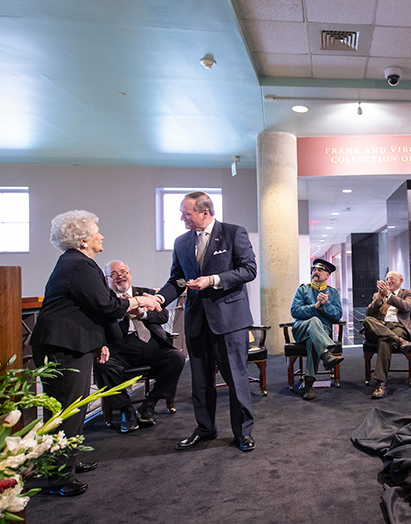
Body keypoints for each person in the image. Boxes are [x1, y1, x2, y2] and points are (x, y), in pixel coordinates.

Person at [31, 210, 162, 496]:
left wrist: (99, 341)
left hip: (68, 343)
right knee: (66, 411)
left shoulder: (74, 263)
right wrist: (140, 299)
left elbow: (89, 309)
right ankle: (59, 478)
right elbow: (106, 306)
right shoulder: (80, 264)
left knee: (70, 408)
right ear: (82, 239)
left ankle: (67, 463)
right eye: (96, 231)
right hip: (63, 345)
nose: (101, 236)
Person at [155, 191, 258, 452]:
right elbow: (177, 280)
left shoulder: (234, 233)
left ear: (205, 212)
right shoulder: (181, 243)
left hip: (230, 320)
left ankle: (242, 433)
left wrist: (212, 280)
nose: (182, 218)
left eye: (186, 213)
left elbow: (249, 270)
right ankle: (205, 429)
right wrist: (158, 299)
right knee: (200, 382)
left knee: (236, 379)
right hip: (197, 322)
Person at [95, 260, 185, 434]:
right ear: (107, 280)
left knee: (177, 358)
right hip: (121, 348)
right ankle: (126, 411)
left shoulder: (147, 294)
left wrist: (142, 312)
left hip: (152, 345)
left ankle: (149, 404)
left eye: (123, 272)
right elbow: (100, 324)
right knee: (104, 366)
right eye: (114, 274)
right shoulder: (105, 300)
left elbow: (163, 316)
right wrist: (122, 313)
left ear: (130, 274)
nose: (120, 276)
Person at [290, 258, 344, 401]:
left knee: (313, 342)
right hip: (301, 329)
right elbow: (295, 312)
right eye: (314, 269)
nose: (316, 272)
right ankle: (326, 354)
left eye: (320, 270)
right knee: (314, 320)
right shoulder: (302, 290)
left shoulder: (332, 293)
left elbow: (338, 315)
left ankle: (309, 384)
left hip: (322, 332)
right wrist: (316, 306)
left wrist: (326, 305)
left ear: (327, 275)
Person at [362, 271, 411, 399]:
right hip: (379, 326)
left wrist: (389, 295)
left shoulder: (408, 293)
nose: (389, 281)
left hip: (397, 327)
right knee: (367, 320)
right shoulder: (377, 294)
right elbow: (369, 312)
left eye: (392, 279)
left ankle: (381, 384)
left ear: (401, 281)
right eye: (387, 279)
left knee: (384, 340)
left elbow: (407, 307)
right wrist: (380, 298)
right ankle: (399, 341)